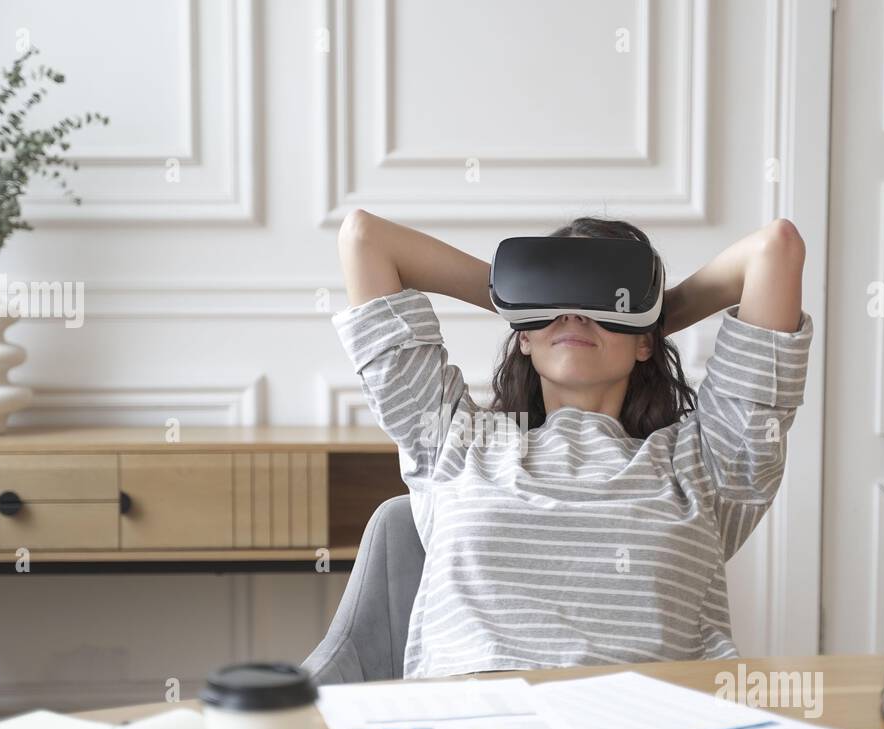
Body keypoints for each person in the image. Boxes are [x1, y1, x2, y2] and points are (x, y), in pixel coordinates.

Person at [333, 210, 812, 679]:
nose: (575, 313)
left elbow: (776, 250)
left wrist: (650, 311)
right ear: (523, 336)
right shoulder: (454, 441)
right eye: (554, 296)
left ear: (646, 341)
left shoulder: (706, 463)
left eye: (606, 298)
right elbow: (365, 239)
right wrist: (523, 295)